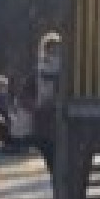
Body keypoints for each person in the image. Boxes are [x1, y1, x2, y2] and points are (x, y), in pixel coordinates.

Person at [29, 33, 63, 176]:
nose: (56, 50)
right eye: (53, 47)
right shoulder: (44, 62)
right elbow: (47, 76)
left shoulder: (58, 61)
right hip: (46, 102)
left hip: (52, 101)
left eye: (58, 47)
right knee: (47, 141)